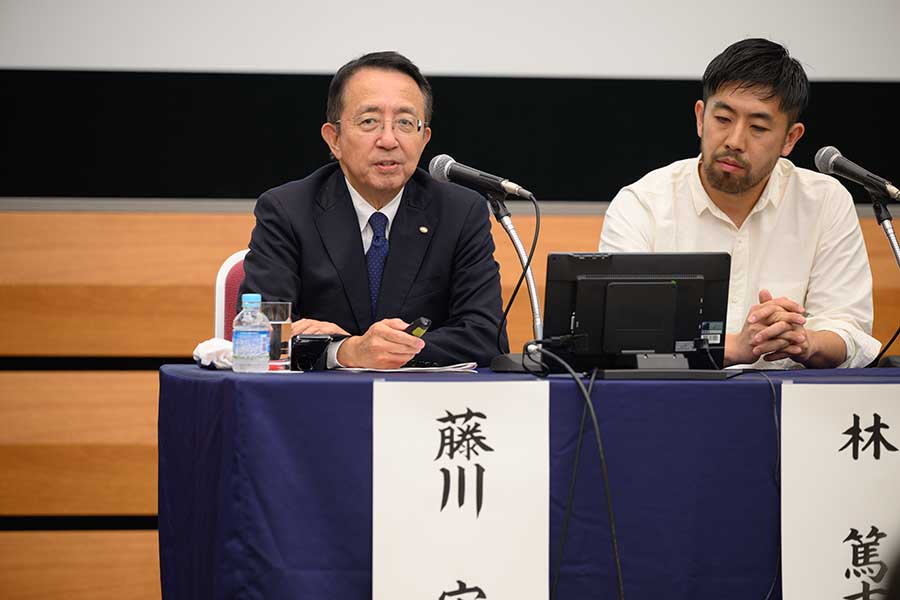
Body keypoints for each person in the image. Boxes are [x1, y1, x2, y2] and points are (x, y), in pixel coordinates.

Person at [599, 38, 880, 369]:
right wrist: (733, 346)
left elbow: (849, 330)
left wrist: (805, 340)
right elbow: (621, 334)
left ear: (790, 138)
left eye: (758, 127)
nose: (735, 141)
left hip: (791, 408)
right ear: (701, 117)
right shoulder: (642, 205)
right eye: (723, 119)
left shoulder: (824, 202)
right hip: (672, 401)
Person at [240, 51, 507, 368]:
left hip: (420, 408)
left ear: (424, 139)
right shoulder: (286, 210)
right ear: (334, 138)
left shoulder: (461, 212)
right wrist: (347, 351)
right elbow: (265, 336)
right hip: (318, 406)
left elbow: (486, 336)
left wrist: (374, 351)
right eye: (369, 121)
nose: (389, 139)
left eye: (406, 123)